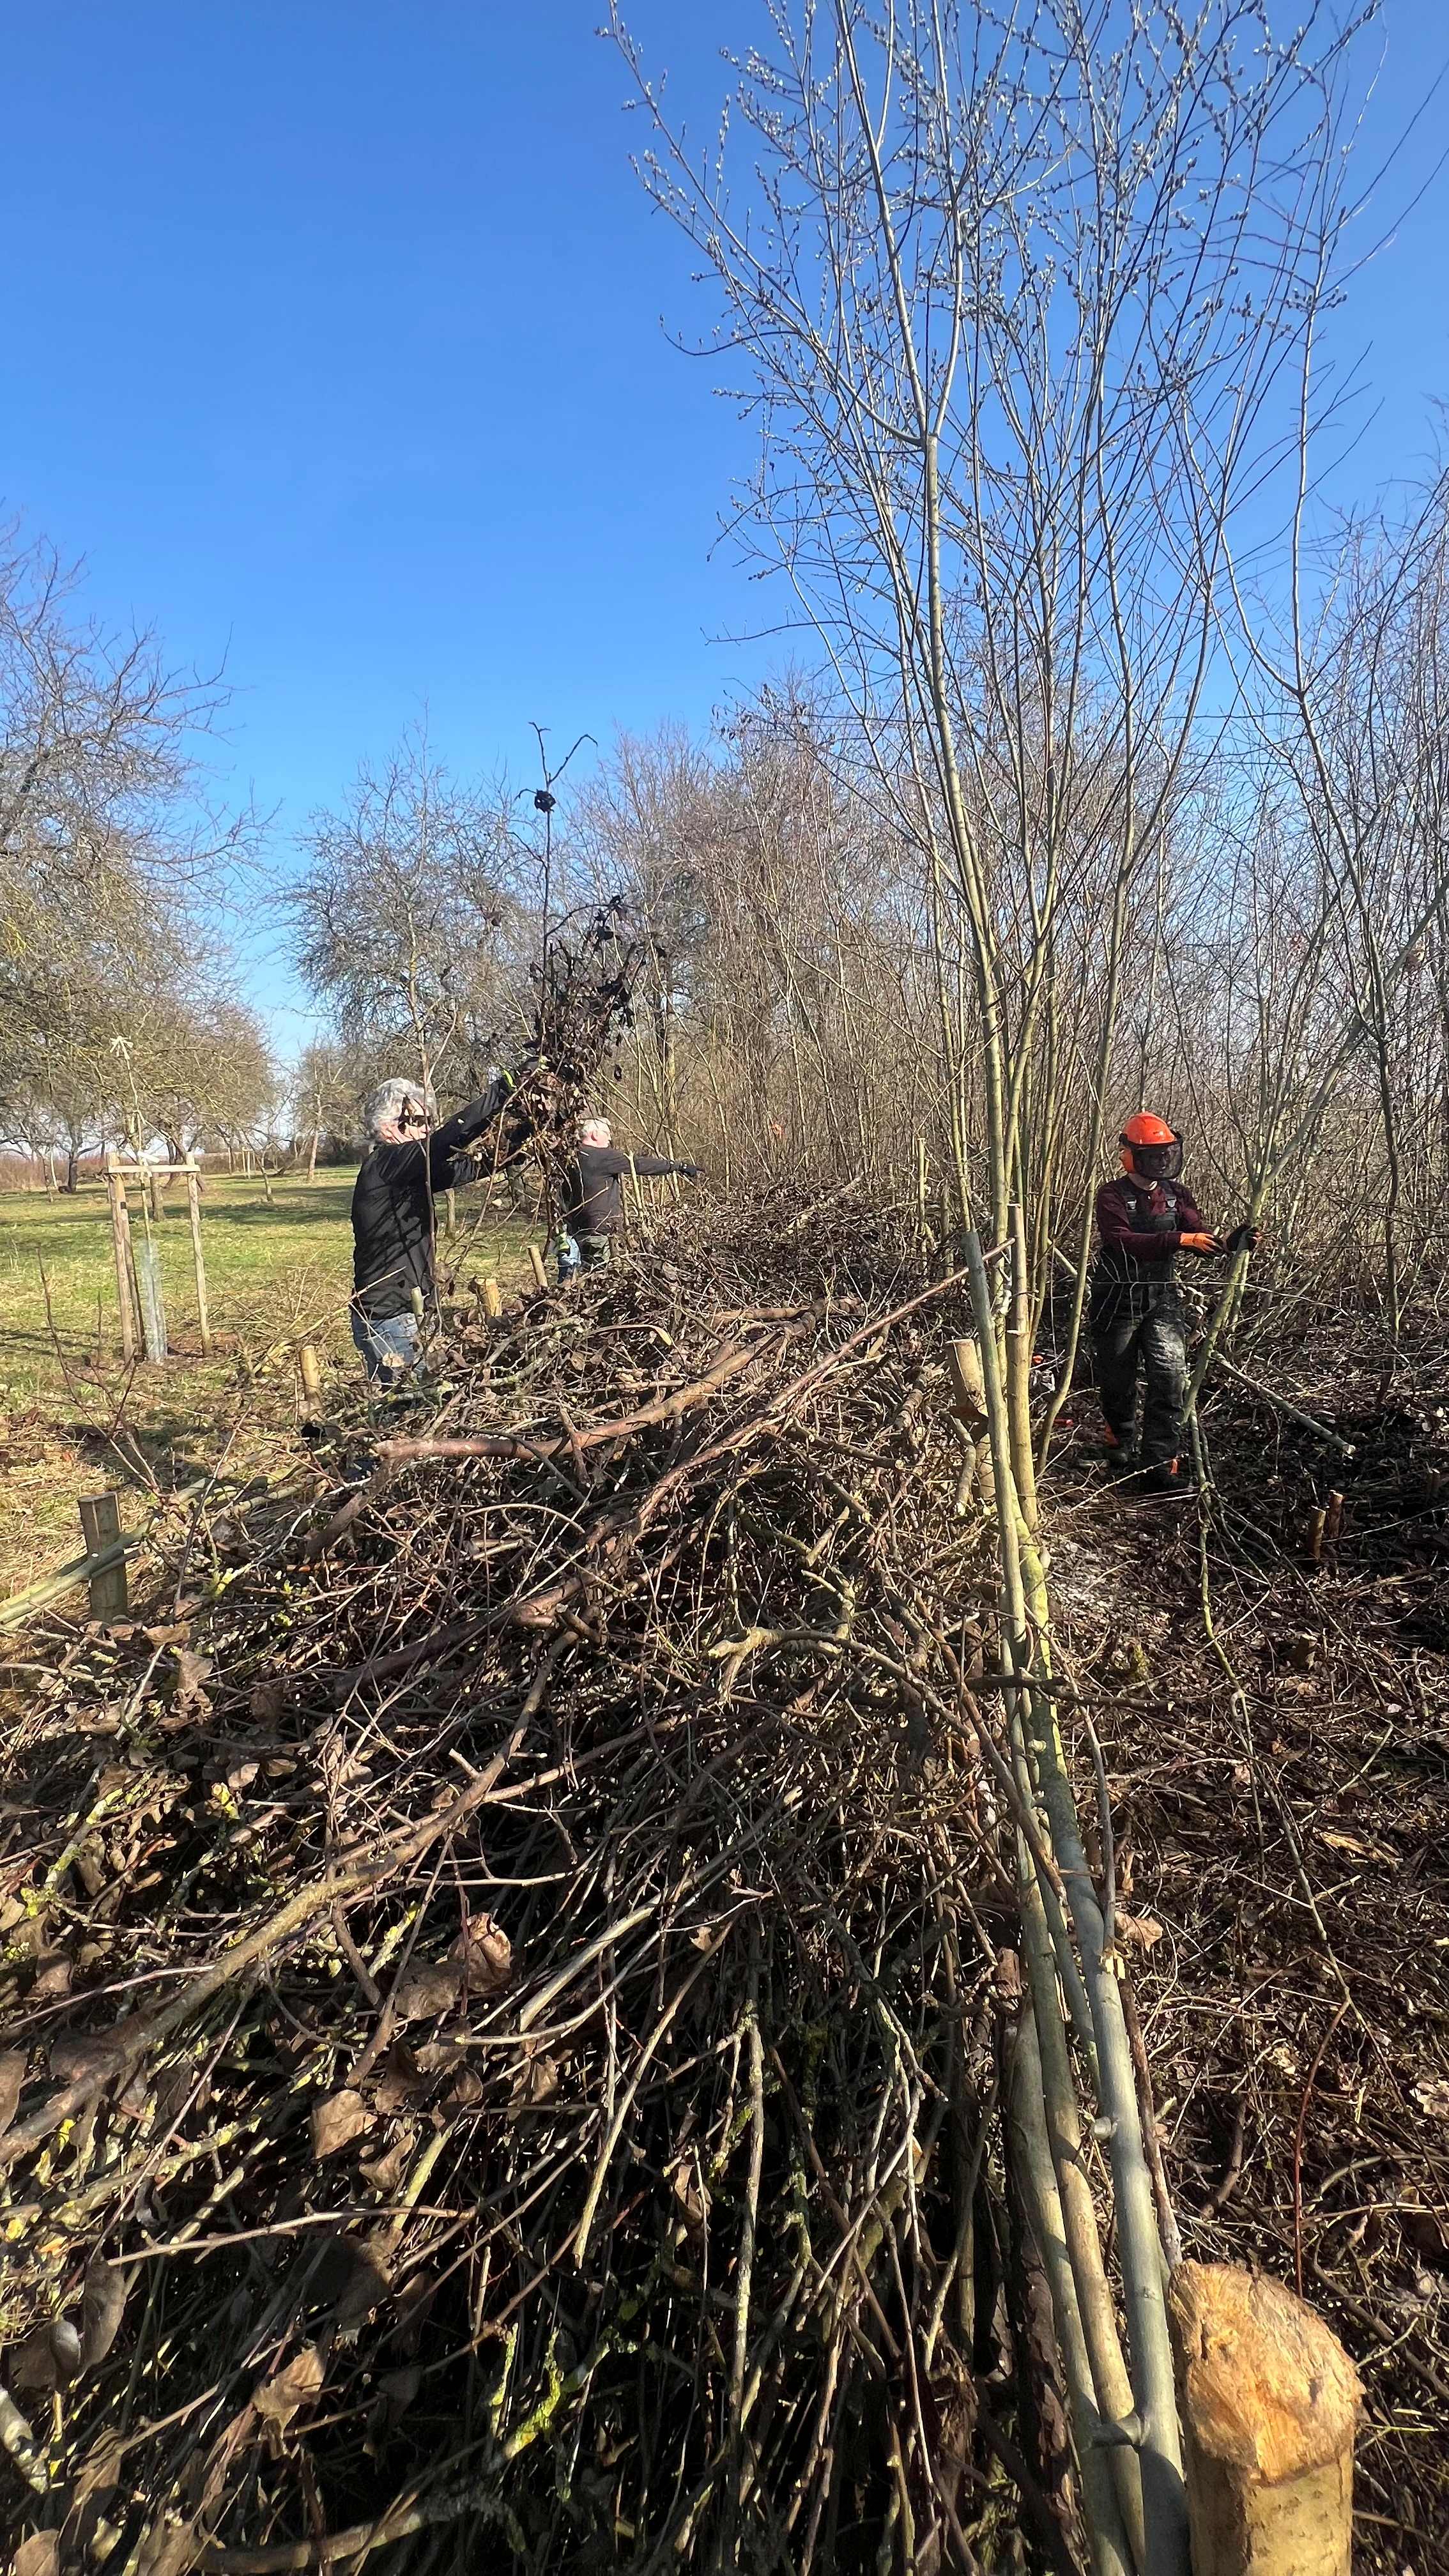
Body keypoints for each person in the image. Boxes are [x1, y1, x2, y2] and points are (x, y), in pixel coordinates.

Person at [1090, 1112, 1260, 1492]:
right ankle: (1119, 1443)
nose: (1162, 1161)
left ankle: (1160, 1462)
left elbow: (1198, 1236)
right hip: (1117, 1298)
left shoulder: (1177, 1195)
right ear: (1131, 1156)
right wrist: (1180, 1241)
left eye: (1167, 1153)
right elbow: (1122, 1239)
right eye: (1154, 1154)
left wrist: (1232, 1243)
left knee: (1169, 1379)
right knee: (1118, 1380)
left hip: (1161, 1298)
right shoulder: (1112, 1195)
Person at [350, 1071, 512, 1388]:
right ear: (388, 1127)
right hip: (390, 1318)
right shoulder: (386, 1164)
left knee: (414, 1411)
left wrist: (522, 1138)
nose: (428, 1128)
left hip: (404, 1310)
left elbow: (469, 1168)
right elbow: (445, 1141)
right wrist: (504, 1090)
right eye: (420, 1120)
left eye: (430, 1121)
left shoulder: (405, 1174)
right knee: (411, 1413)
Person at [557, 1116, 700, 1282]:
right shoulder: (602, 1157)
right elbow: (639, 1164)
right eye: (607, 1133)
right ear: (595, 1134)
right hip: (601, 1231)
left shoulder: (569, 1157)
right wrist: (678, 1166)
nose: (610, 1138)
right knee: (603, 1279)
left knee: (578, 1281)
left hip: (574, 1231)